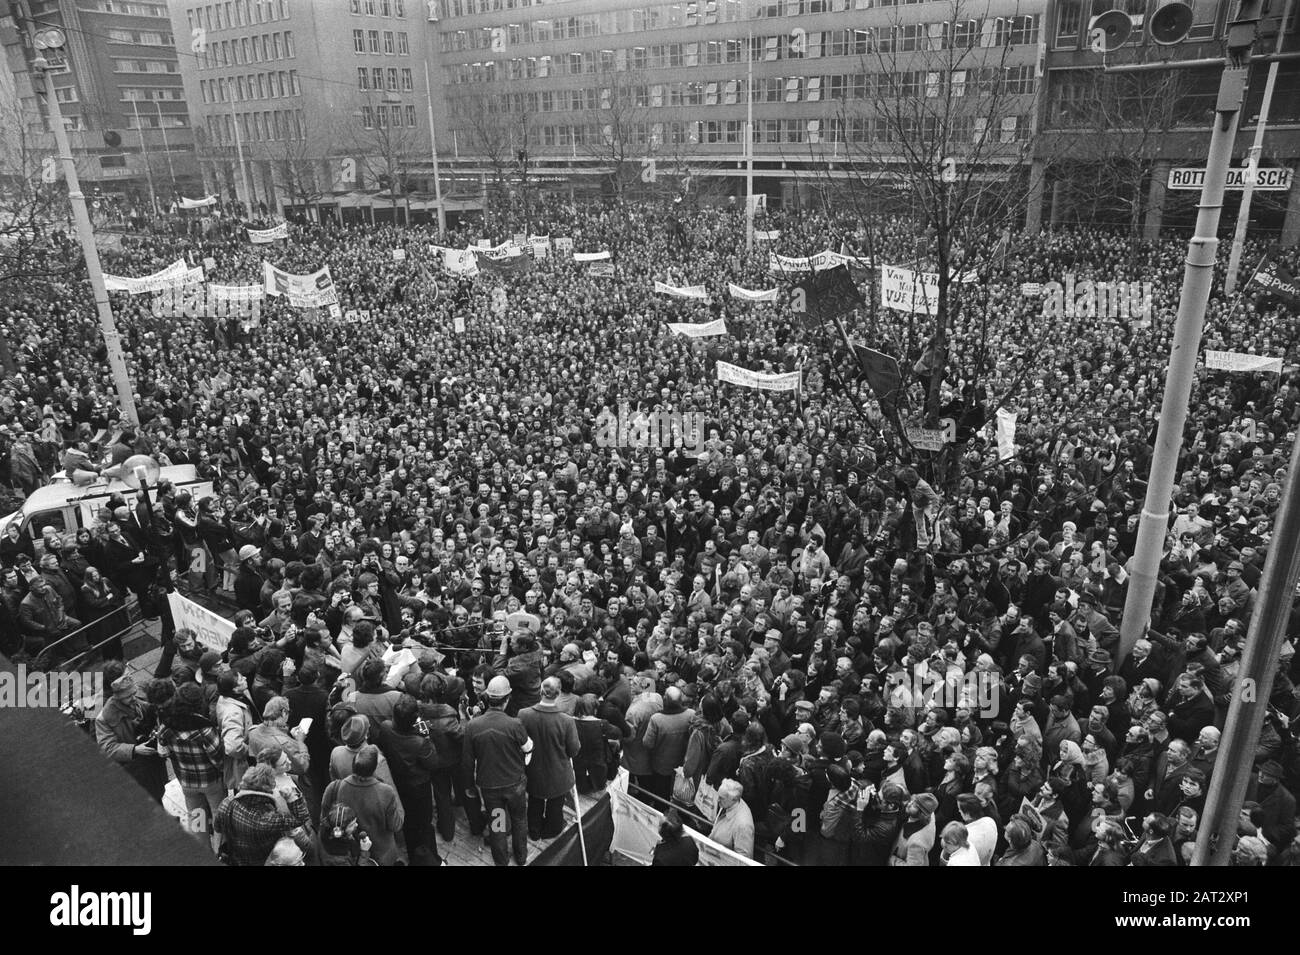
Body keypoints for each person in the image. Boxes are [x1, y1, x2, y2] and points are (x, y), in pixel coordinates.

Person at [463, 675, 532, 866]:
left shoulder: (473, 726)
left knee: (498, 825)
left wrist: (469, 786)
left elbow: (467, 762)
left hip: (490, 787)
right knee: (519, 821)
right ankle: (521, 856)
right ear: (507, 698)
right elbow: (528, 748)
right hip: (515, 785)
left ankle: (501, 861)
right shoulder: (515, 724)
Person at [377, 694, 442, 865]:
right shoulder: (420, 742)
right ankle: (430, 858)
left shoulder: (385, 727)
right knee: (425, 824)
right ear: (414, 719)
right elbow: (433, 763)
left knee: (409, 822)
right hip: (419, 788)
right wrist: (427, 737)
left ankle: (413, 855)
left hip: (398, 783)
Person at [517, 676, 581, 840]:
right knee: (555, 804)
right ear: (558, 693)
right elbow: (574, 750)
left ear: (540, 691)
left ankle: (534, 830)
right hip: (558, 773)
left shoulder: (524, 715)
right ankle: (552, 830)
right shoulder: (566, 721)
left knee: (534, 802)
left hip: (533, 770)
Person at [320, 745, 405, 866]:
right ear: (374, 768)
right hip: (383, 853)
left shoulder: (340, 786)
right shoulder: (385, 791)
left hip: (356, 851)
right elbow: (396, 825)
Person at [214, 764, 313, 867]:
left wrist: (217, 853)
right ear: (266, 793)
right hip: (262, 861)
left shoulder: (227, 803)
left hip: (235, 859)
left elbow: (217, 829)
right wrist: (290, 797)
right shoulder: (266, 819)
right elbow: (301, 817)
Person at [709, 777, 755, 859]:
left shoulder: (743, 825)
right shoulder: (728, 803)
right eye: (718, 796)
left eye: (721, 798)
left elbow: (743, 859)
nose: (717, 800)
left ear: (734, 799)